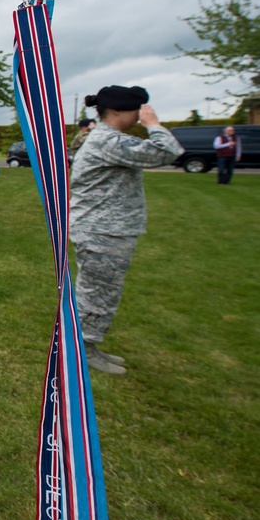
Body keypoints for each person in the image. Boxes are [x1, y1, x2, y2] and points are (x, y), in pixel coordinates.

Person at [69, 85, 184, 375]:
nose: (140, 115)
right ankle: (83, 349)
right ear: (117, 110)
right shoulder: (108, 141)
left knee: (101, 292)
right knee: (96, 293)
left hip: (107, 229)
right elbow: (167, 152)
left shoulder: (110, 139)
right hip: (101, 231)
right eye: (137, 109)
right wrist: (153, 125)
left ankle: (88, 346)